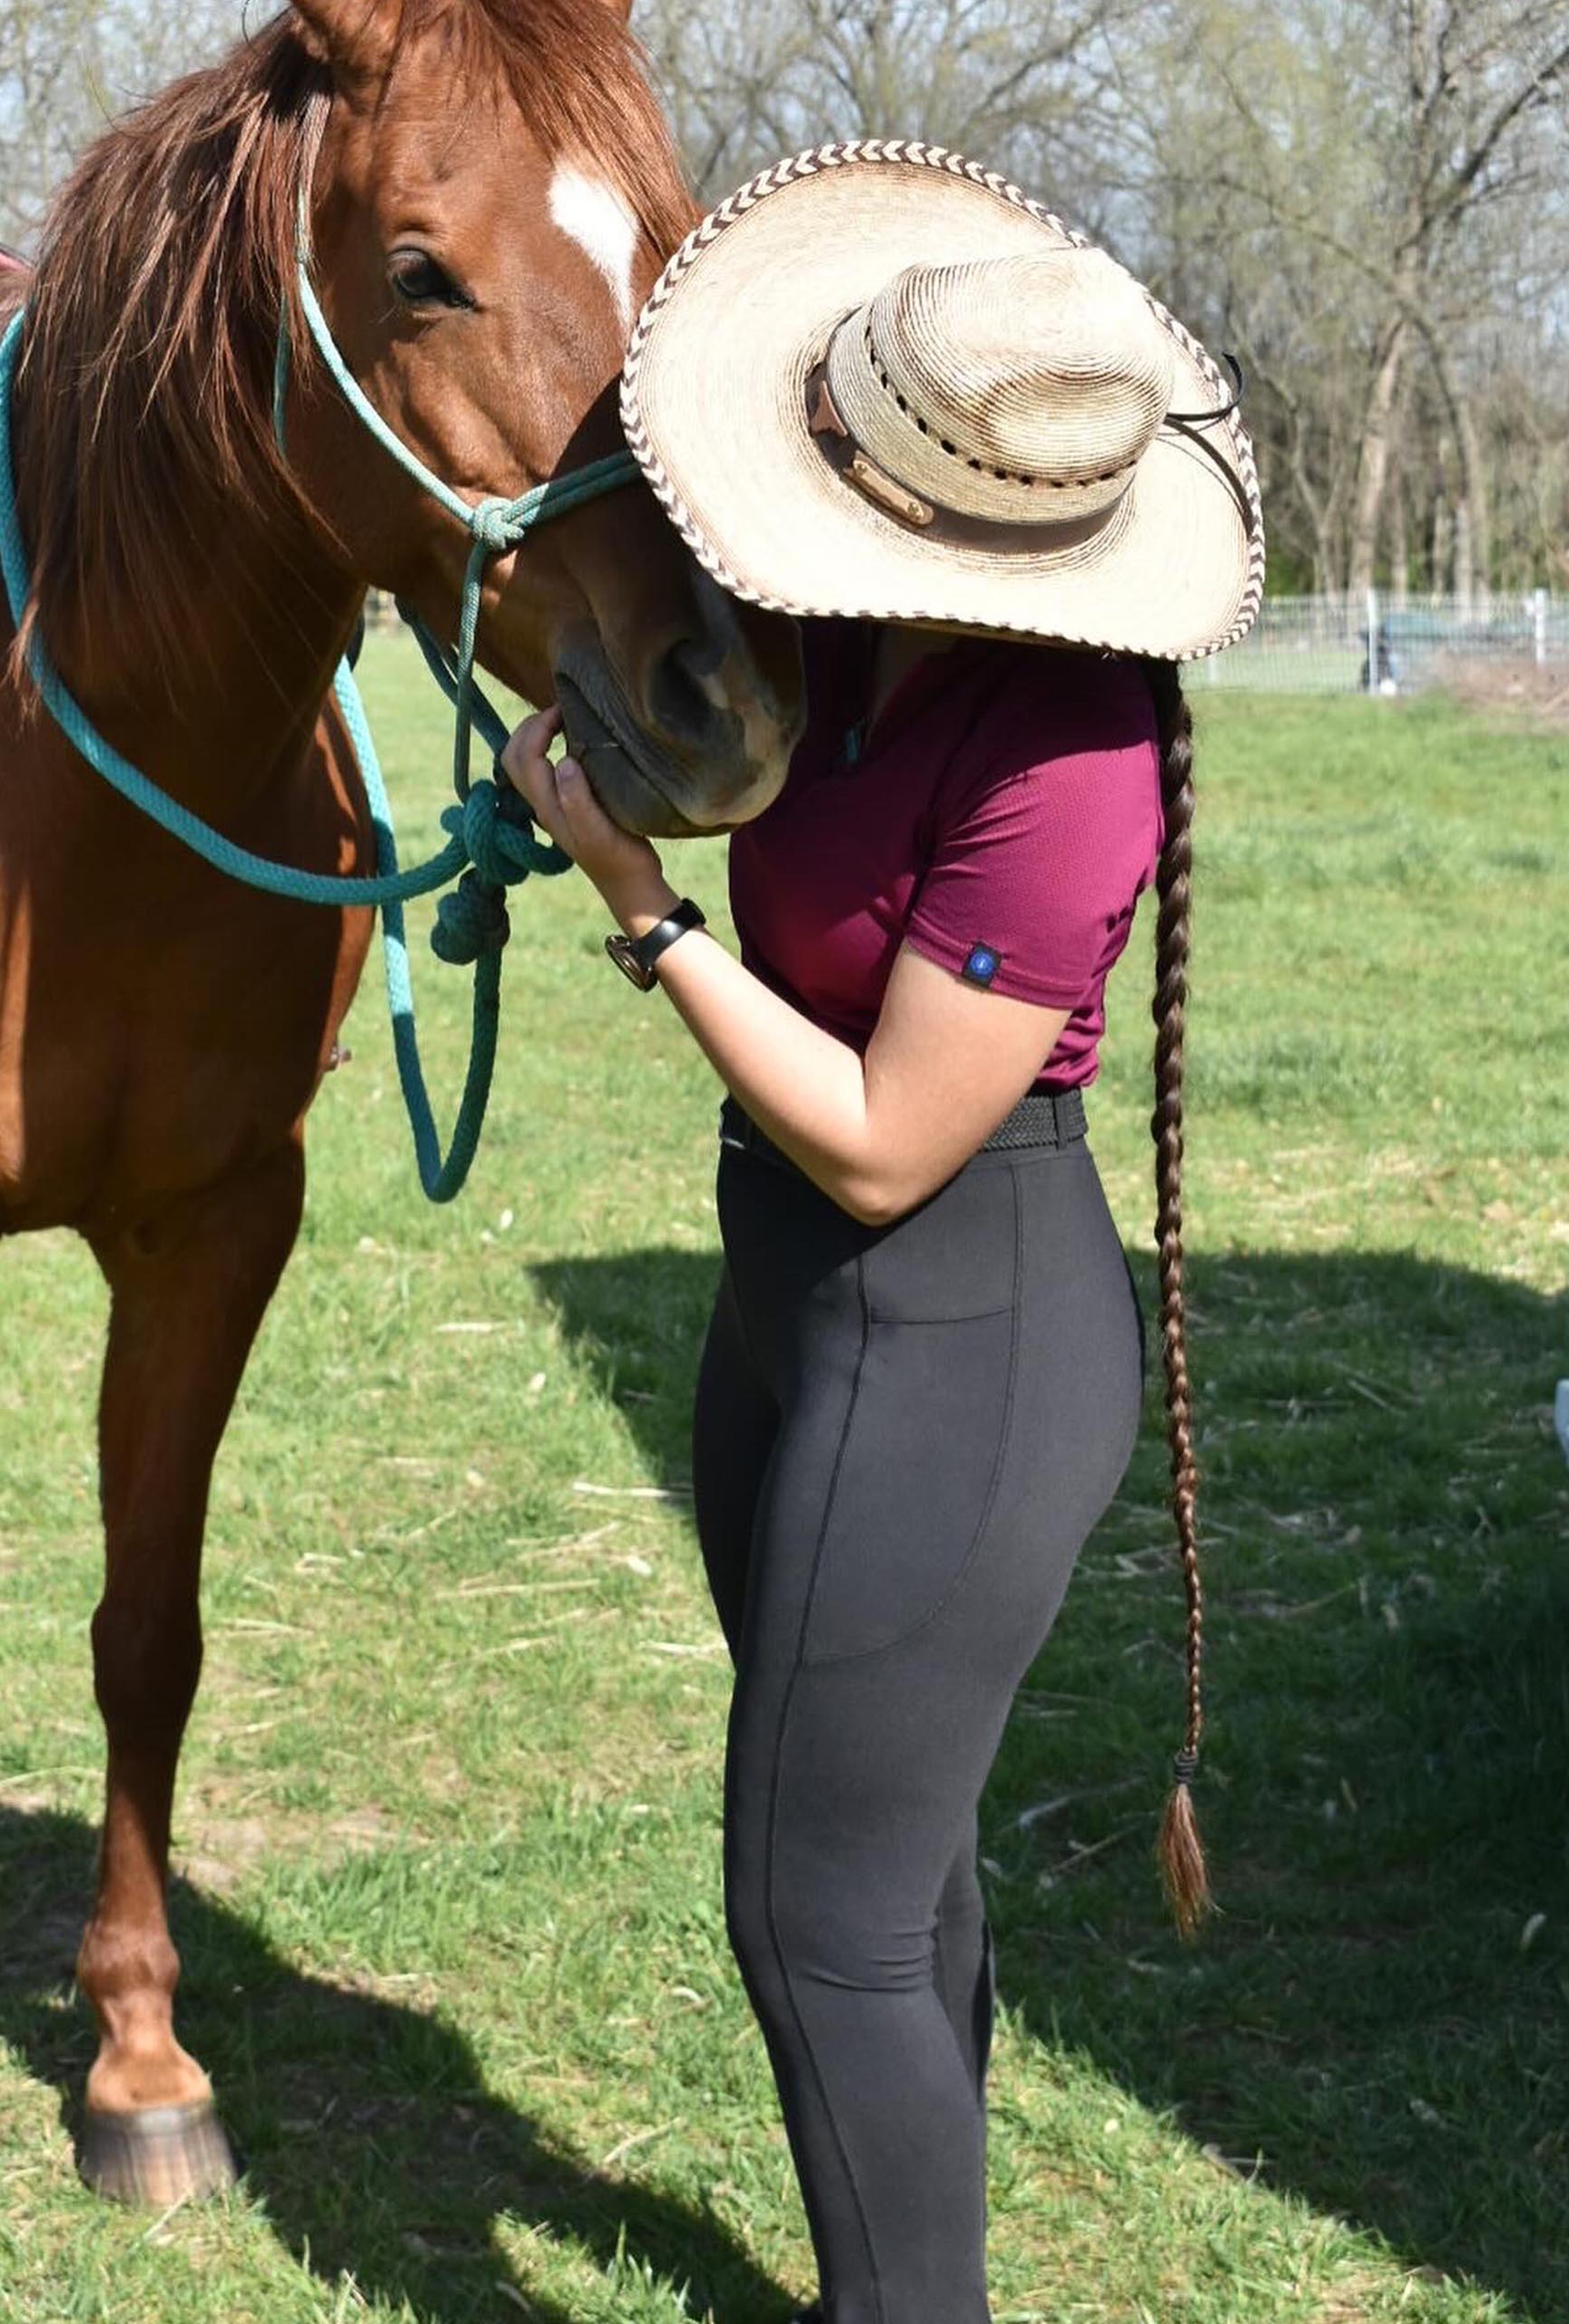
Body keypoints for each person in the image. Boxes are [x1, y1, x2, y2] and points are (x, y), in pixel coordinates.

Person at [503, 145, 1261, 2324]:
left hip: (960, 1319)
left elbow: (873, 1135)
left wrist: (637, 916)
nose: (809, 452)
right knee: (883, 1869)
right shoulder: (832, 631)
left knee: (807, 1912)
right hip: (792, 1315)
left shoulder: (1067, 740)